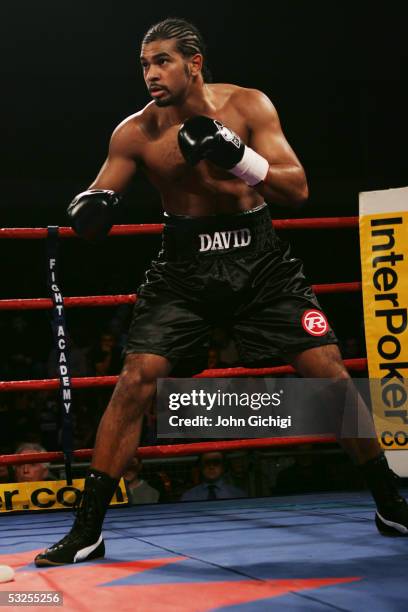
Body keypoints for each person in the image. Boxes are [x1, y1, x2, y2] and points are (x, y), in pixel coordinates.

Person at [35, 17, 408, 566]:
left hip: (261, 265)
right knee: (136, 380)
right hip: (183, 272)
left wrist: (237, 155)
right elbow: (98, 192)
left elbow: (297, 189)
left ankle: (388, 500)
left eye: (162, 61)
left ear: (194, 63)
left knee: (328, 369)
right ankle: (87, 529)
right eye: (144, 64)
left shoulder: (249, 106)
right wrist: (89, 208)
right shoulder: (135, 132)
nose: (151, 74)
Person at [181, 451, 246, 501]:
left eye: (216, 462)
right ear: (200, 465)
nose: (211, 466)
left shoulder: (237, 495)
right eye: (207, 462)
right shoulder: (188, 497)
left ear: (223, 466)